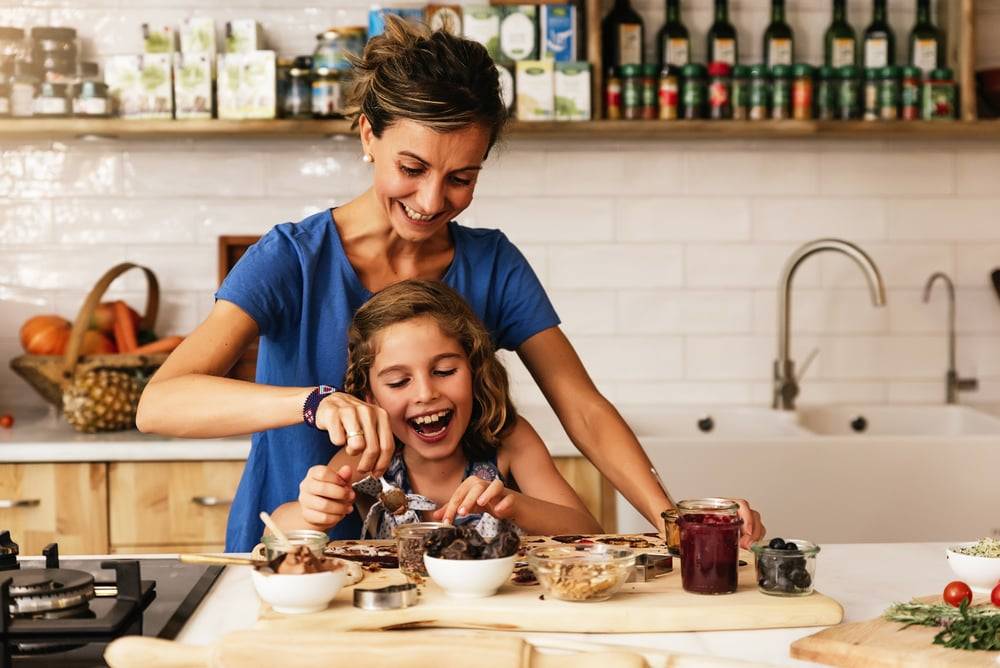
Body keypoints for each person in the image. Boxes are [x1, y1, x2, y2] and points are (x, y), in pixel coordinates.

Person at [135, 16, 765, 552]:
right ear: (367, 135)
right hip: (296, 560)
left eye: (462, 177)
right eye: (411, 168)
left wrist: (672, 520)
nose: (432, 200)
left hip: (437, 576)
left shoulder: (493, 264)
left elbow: (583, 410)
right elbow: (159, 403)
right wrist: (313, 401)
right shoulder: (291, 259)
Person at [272, 279, 603, 537]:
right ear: (370, 398)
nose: (425, 393)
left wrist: (513, 505)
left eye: (444, 372)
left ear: (475, 370)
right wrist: (312, 509)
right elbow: (274, 531)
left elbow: (589, 533)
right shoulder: (368, 457)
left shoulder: (508, 439)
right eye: (399, 381)